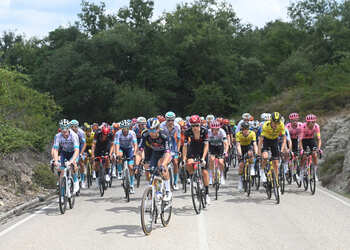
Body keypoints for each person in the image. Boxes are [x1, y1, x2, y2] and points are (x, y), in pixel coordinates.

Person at [139, 118, 173, 201]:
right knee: (152, 171)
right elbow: (140, 149)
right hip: (154, 153)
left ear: (158, 129)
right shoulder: (145, 134)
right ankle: (157, 192)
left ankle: (168, 191)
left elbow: (168, 152)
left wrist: (164, 164)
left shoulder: (164, 134)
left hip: (165, 153)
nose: (152, 133)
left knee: (161, 167)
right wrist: (139, 163)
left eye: (154, 130)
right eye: (150, 130)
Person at [182, 115, 210, 204]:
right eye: (193, 125)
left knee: (204, 171)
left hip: (202, 149)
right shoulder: (187, 132)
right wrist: (183, 158)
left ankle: (207, 193)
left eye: (197, 125)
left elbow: (206, 145)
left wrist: (203, 158)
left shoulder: (204, 130)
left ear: (200, 124)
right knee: (188, 164)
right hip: (193, 148)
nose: (195, 127)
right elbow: (185, 146)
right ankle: (192, 178)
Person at [52, 119, 80, 194]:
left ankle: (76, 181)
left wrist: (71, 161)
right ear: (60, 129)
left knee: (73, 165)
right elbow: (55, 150)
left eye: (66, 131)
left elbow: (77, 150)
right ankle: (62, 194)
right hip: (64, 152)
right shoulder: (57, 136)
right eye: (62, 131)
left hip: (73, 152)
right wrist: (56, 160)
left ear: (68, 129)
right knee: (62, 170)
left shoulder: (74, 135)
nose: (64, 133)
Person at [258, 112, 286, 185]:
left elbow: (284, 139)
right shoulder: (265, 126)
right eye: (274, 122)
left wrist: (282, 150)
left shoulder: (281, 125)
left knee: (276, 164)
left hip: (274, 141)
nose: (276, 124)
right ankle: (262, 170)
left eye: (277, 122)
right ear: (271, 121)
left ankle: (276, 182)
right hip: (266, 141)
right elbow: (261, 140)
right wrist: (258, 152)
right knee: (265, 157)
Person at [114, 120, 138, 194]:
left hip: (129, 149)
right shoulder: (118, 133)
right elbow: (117, 144)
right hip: (121, 148)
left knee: (131, 167)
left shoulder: (132, 133)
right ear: (121, 129)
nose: (125, 130)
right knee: (119, 155)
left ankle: (131, 185)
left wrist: (135, 152)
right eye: (123, 129)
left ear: (128, 128)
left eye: (126, 128)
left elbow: (135, 144)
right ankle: (120, 171)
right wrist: (117, 153)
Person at [160, 111, 181, 190]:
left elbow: (178, 140)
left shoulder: (177, 126)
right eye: (168, 120)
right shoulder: (161, 126)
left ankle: (175, 182)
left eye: (172, 120)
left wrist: (178, 151)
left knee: (175, 162)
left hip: (172, 143)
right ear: (165, 120)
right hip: (163, 143)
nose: (170, 122)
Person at [299, 114, 322, 182]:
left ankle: (314, 173)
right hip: (303, 140)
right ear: (307, 122)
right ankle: (301, 171)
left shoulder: (316, 126)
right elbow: (300, 140)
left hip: (311, 140)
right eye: (310, 122)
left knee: (314, 154)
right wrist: (301, 149)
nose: (311, 124)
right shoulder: (303, 126)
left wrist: (319, 148)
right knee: (304, 156)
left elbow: (319, 139)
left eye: (313, 122)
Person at [236, 122, 258, 192]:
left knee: (251, 153)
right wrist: (239, 154)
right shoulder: (238, 134)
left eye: (247, 129)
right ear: (242, 129)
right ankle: (240, 181)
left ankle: (251, 168)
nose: (246, 130)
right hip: (241, 147)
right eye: (244, 129)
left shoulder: (252, 133)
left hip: (248, 146)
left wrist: (257, 153)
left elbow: (254, 144)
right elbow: (238, 145)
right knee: (241, 165)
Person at [208, 120, 228, 185]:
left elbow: (225, 143)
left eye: (217, 129)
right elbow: (205, 143)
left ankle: (222, 176)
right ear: (211, 129)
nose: (215, 131)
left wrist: (225, 151)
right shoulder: (208, 132)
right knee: (211, 159)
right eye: (214, 129)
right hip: (212, 147)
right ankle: (211, 177)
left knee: (221, 162)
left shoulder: (222, 132)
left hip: (220, 147)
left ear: (219, 129)